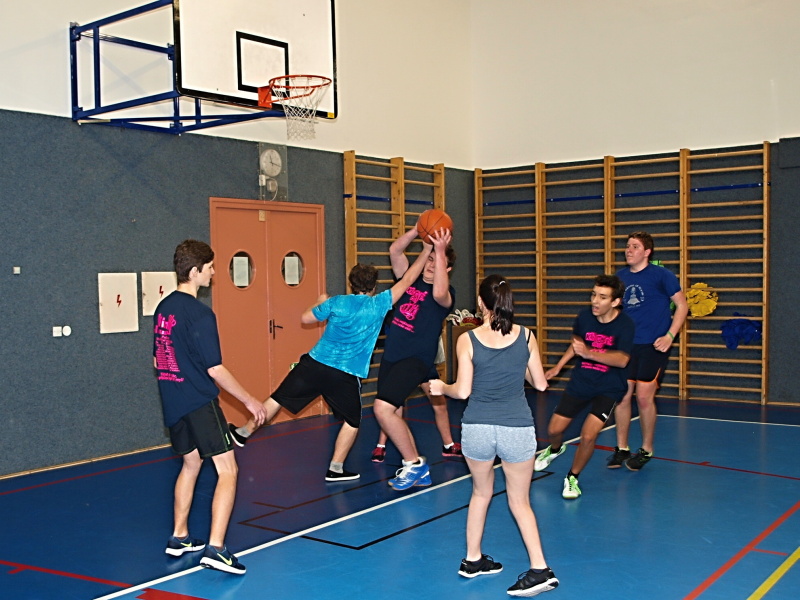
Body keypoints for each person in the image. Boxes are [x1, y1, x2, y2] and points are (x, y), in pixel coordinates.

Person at [229, 232, 436, 483]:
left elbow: (305, 318)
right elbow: (410, 278)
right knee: (352, 421)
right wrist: (426, 250)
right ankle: (335, 468)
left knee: (278, 398)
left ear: (351, 284)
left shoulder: (336, 302)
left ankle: (243, 432)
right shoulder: (379, 304)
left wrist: (319, 302)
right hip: (345, 375)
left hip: (314, 364)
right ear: (373, 286)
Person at [429, 275, 558, 597]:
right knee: (520, 502)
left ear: (481, 303)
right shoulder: (526, 336)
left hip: (478, 429)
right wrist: (519, 364)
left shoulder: (467, 339)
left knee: (480, 493)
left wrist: (441, 387)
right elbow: (541, 384)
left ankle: (472, 560)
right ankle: (539, 569)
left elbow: (462, 391)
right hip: (516, 429)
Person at [154, 239, 268, 575]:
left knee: (191, 464)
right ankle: (216, 549)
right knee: (228, 470)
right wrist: (249, 400)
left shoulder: (163, 308)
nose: (214, 272)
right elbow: (215, 369)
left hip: (173, 401)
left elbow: (158, 360)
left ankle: (179, 537)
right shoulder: (200, 314)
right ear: (194, 272)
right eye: (210, 267)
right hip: (198, 402)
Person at [371, 226, 457, 490]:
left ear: (447, 268)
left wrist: (439, 250)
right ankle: (413, 467)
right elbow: (395, 251)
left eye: (437, 261)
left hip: (416, 359)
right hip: (392, 356)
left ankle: (415, 464)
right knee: (392, 410)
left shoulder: (445, 294)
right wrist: (418, 231)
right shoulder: (409, 279)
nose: (430, 265)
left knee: (382, 408)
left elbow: (440, 293)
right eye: (428, 259)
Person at [534, 275, 635, 499]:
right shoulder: (584, 317)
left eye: (602, 297)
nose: (595, 301)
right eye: (593, 295)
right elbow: (576, 345)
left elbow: (622, 360)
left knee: (588, 436)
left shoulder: (625, 325)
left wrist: (589, 353)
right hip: (581, 382)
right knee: (554, 430)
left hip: (609, 388)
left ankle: (572, 477)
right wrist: (559, 367)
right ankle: (555, 448)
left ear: (615, 302)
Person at [609, 231, 688, 470]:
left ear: (647, 252)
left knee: (643, 397)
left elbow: (682, 306)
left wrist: (670, 336)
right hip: (626, 345)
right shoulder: (620, 277)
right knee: (622, 396)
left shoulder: (662, 275)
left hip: (653, 345)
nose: (629, 250)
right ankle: (622, 448)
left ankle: (646, 449)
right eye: (627, 246)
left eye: (635, 246)